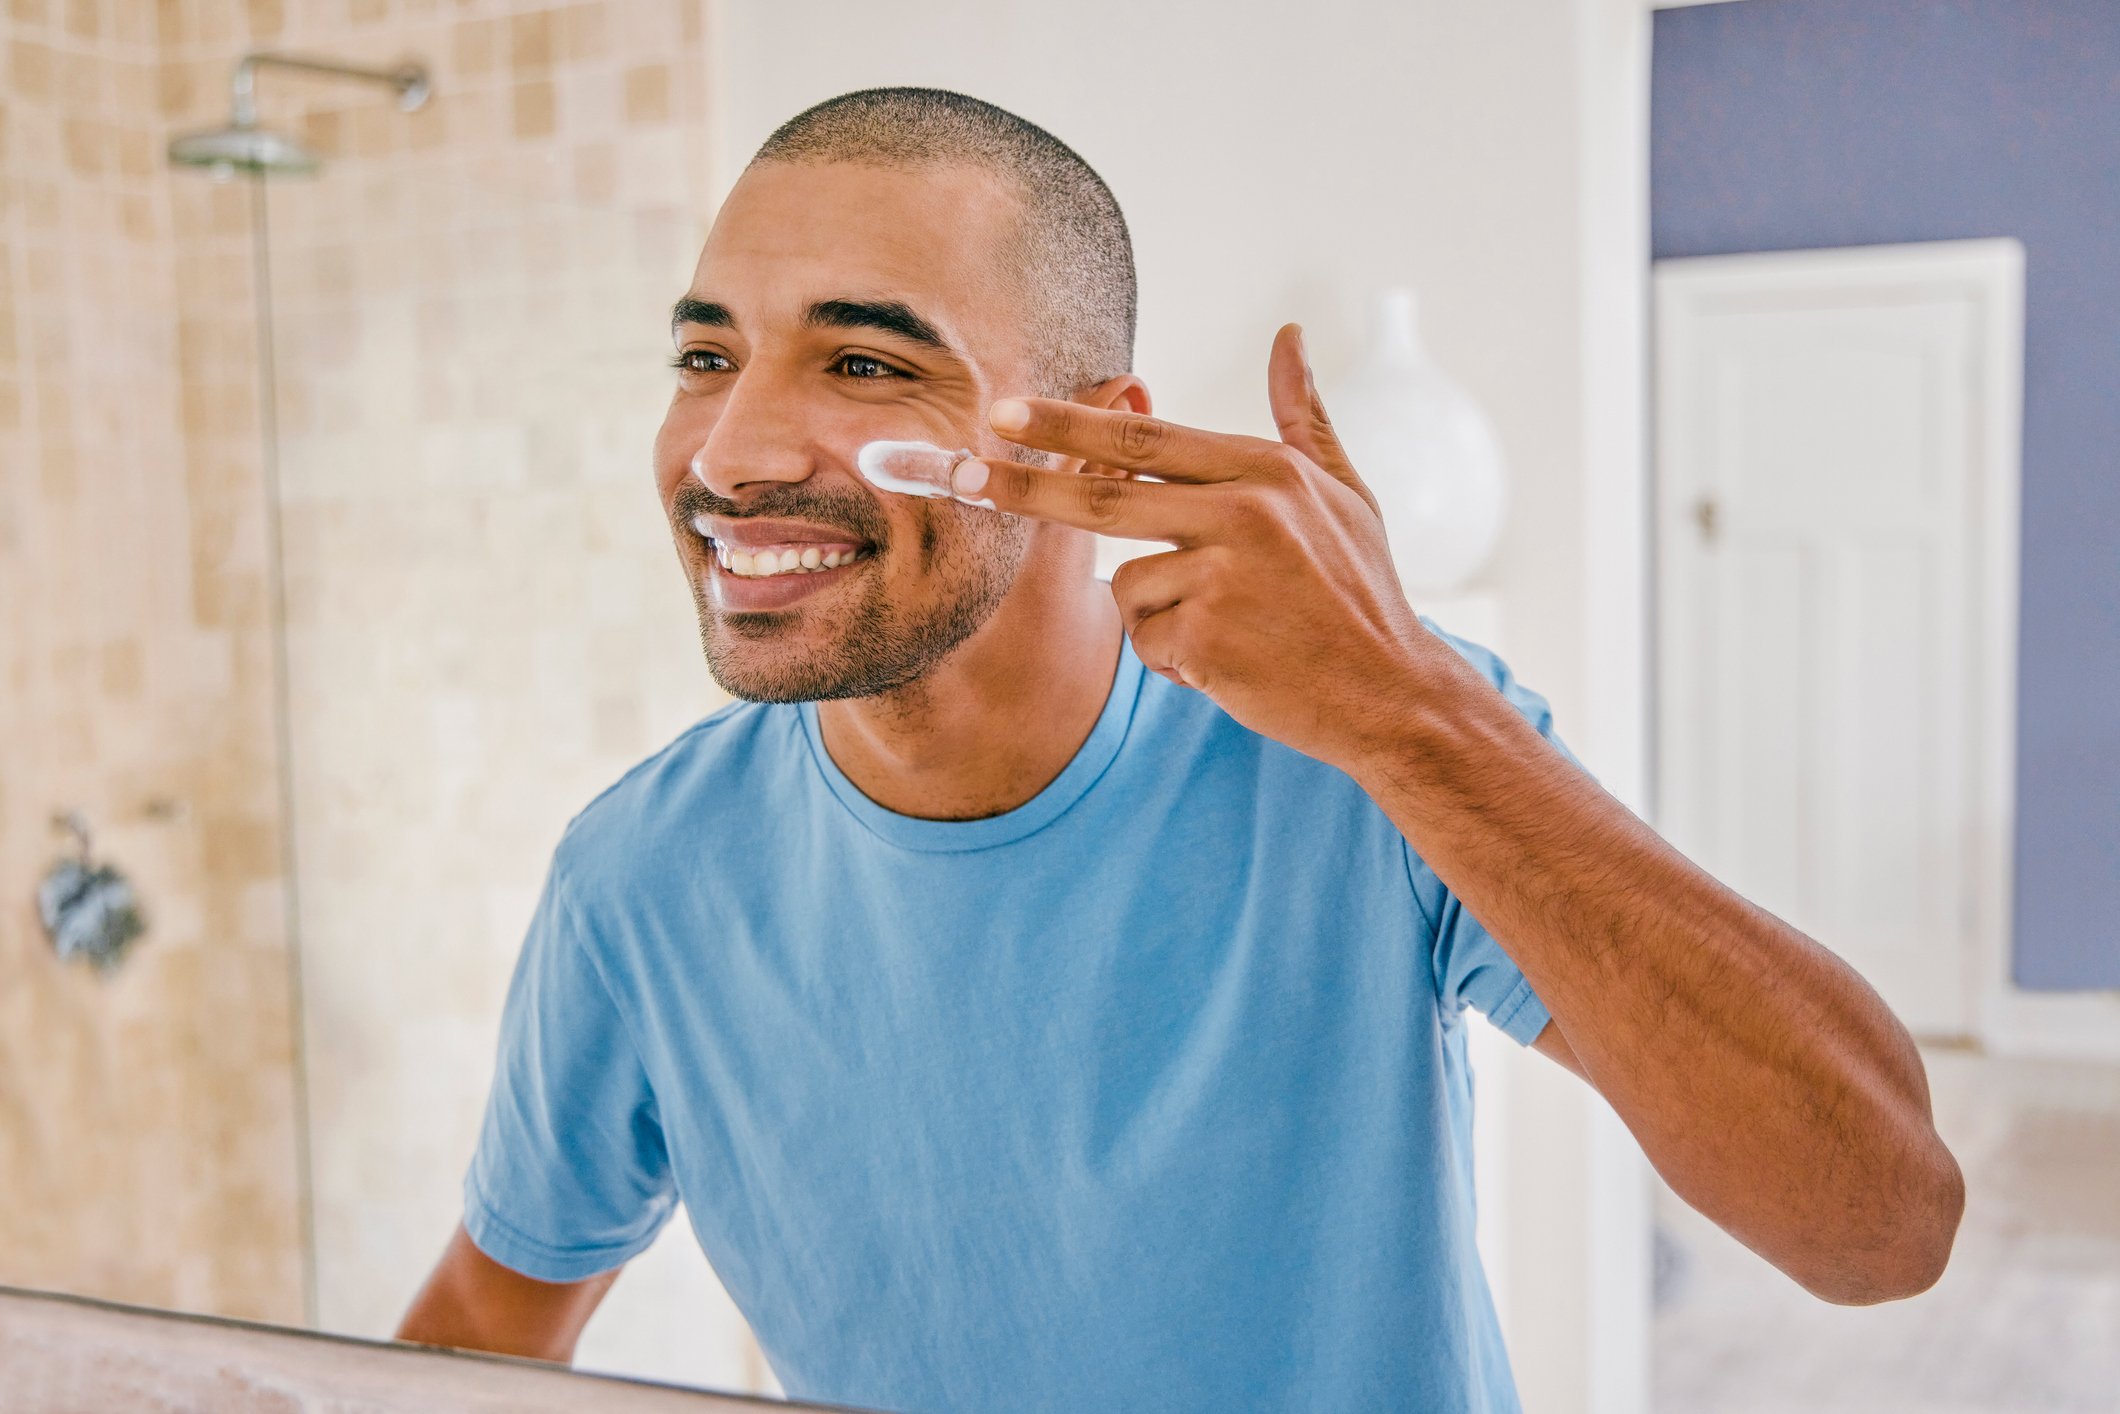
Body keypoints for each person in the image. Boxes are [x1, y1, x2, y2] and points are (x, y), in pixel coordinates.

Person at [397, 88, 1963, 1413]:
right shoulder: (643, 878)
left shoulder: (1364, 751)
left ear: (1092, 440)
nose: (732, 452)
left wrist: (1414, 708)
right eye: (706, 356)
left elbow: (1882, 1220)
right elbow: (483, 1325)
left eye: (866, 361)